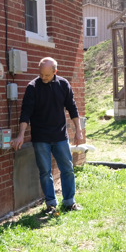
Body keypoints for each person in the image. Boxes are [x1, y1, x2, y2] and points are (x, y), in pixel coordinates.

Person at [11, 57, 84, 213]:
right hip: (41, 137)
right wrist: (21, 134)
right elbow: (26, 112)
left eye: (47, 75)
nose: (43, 78)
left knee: (68, 169)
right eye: (41, 74)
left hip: (60, 136)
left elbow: (72, 107)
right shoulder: (33, 87)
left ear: (55, 72)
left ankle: (69, 201)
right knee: (45, 172)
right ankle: (51, 204)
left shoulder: (63, 84)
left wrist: (78, 130)